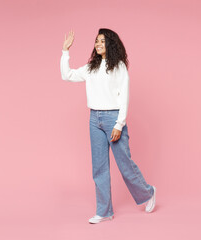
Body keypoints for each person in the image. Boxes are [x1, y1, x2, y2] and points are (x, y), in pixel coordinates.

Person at [60, 28, 156, 224]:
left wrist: (119, 124)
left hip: (113, 118)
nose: (98, 44)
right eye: (96, 41)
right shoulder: (91, 67)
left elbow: (124, 96)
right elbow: (67, 75)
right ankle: (104, 211)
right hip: (94, 119)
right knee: (99, 168)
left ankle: (148, 192)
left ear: (110, 44)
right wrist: (65, 51)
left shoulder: (119, 66)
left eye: (102, 41)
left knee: (125, 165)